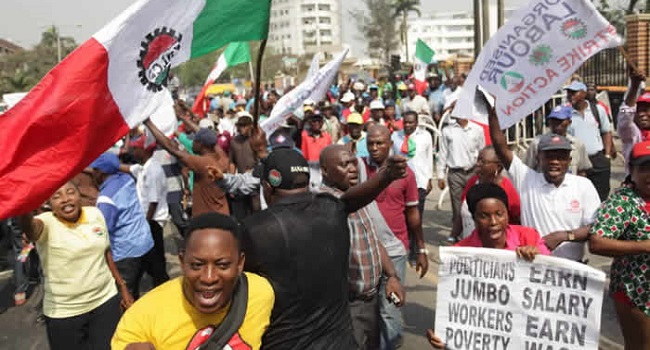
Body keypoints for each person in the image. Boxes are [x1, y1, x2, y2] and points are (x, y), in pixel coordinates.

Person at [240, 147, 409, 350]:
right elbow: (351, 199)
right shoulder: (332, 211)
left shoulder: (254, 230)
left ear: (267, 187)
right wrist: (386, 176)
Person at [112, 212, 275, 350]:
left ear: (240, 264)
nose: (209, 277)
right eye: (197, 265)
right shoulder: (141, 320)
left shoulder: (260, 294)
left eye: (222, 265)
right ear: (182, 262)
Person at [426, 183, 549, 349]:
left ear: (507, 213)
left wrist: (537, 256)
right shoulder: (460, 254)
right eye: (484, 216)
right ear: (474, 218)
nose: (493, 222)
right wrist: (445, 333)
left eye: (499, 214)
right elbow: (454, 306)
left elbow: (551, 280)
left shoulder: (528, 236)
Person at [485, 91, 601, 262]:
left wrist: (564, 236)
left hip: (571, 268)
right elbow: (501, 147)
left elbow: (597, 228)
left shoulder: (583, 186)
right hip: (533, 267)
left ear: (569, 161)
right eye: (549, 156)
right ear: (539, 158)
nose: (555, 162)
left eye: (560, 157)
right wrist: (493, 111)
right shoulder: (526, 179)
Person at [19, 182, 132, 350]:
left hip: (105, 301)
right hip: (65, 312)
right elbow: (31, 230)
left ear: (80, 197)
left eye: (70, 192)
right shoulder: (45, 222)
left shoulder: (95, 214)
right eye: (57, 197)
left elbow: (106, 252)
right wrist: (23, 206)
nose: (65, 199)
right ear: (49, 205)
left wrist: (122, 287)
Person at [319, 145, 406, 350]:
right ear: (324, 171)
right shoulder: (325, 201)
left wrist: (392, 275)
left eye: (353, 162)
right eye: (344, 164)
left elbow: (373, 239)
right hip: (347, 306)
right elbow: (346, 203)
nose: (352, 169)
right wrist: (386, 176)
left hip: (371, 300)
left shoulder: (360, 198)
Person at [363, 125, 429, 349]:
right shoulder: (359, 169)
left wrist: (421, 249)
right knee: (367, 311)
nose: (374, 148)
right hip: (366, 249)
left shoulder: (406, 173)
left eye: (379, 143)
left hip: (396, 251)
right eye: (370, 143)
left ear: (390, 144)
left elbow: (413, 214)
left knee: (389, 310)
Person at [588, 140, 650, 349]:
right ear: (631, 170)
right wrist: (644, 246)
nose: (649, 174)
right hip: (636, 291)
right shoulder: (623, 202)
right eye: (644, 168)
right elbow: (597, 242)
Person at [90, 153, 156, 299]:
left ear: (101, 173)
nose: (92, 173)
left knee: (126, 294)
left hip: (126, 253)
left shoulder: (106, 198)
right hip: (144, 242)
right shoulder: (127, 179)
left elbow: (105, 231)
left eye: (94, 170)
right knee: (140, 285)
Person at [145, 119, 230, 216]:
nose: (192, 143)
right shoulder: (222, 159)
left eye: (194, 141)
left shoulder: (202, 163)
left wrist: (148, 123)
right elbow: (212, 142)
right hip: (223, 214)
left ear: (201, 144)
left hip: (207, 220)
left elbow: (171, 148)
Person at [120, 136, 171, 288]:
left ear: (144, 150)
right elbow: (126, 168)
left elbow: (153, 202)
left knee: (155, 262)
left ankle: (163, 289)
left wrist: (145, 225)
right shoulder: (143, 167)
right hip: (147, 221)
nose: (133, 152)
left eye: (135, 149)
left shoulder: (153, 170)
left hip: (152, 222)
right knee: (148, 261)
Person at [451, 146, 521, 240]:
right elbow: (461, 214)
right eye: (478, 160)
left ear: (498, 167)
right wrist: (452, 237)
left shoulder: (507, 189)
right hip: (470, 245)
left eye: (483, 162)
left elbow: (517, 221)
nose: (478, 165)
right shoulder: (472, 182)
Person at [436, 114, 485, 240]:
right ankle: (458, 234)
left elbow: (482, 151)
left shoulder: (477, 129)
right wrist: (440, 175)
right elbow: (443, 153)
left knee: (474, 203)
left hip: (473, 171)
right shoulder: (447, 131)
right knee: (457, 206)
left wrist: (482, 170)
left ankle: (475, 233)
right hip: (455, 173)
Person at [565, 81, 613, 201]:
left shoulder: (598, 110)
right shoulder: (565, 113)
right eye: (568, 93)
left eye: (574, 92)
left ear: (583, 93)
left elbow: (606, 131)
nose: (570, 95)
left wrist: (607, 155)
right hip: (578, 162)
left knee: (601, 196)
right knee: (579, 197)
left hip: (598, 160)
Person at [524, 105, 592, 176]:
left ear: (569, 122)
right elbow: (527, 170)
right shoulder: (537, 143)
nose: (556, 123)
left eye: (560, 120)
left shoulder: (577, 144)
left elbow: (582, 171)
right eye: (553, 120)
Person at [391, 111, 434, 217]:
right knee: (402, 215)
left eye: (411, 123)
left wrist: (429, 179)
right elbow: (391, 158)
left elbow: (429, 158)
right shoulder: (395, 136)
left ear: (417, 123)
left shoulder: (425, 136)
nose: (407, 125)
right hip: (400, 181)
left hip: (419, 182)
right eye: (405, 122)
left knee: (417, 215)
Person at [617, 67, 650, 170]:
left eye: (646, 110)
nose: (641, 114)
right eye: (638, 110)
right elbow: (625, 111)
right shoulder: (631, 134)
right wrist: (634, 86)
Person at [229, 111, 259, 220]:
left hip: (255, 178)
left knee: (256, 208)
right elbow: (232, 162)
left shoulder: (256, 140)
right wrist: (231, 182)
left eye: (245, 125)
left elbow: (261, 158)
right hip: (241, 178)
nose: (242, 128)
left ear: (250, 126)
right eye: (240, 125)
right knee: (242, 212)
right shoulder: (234, 142)